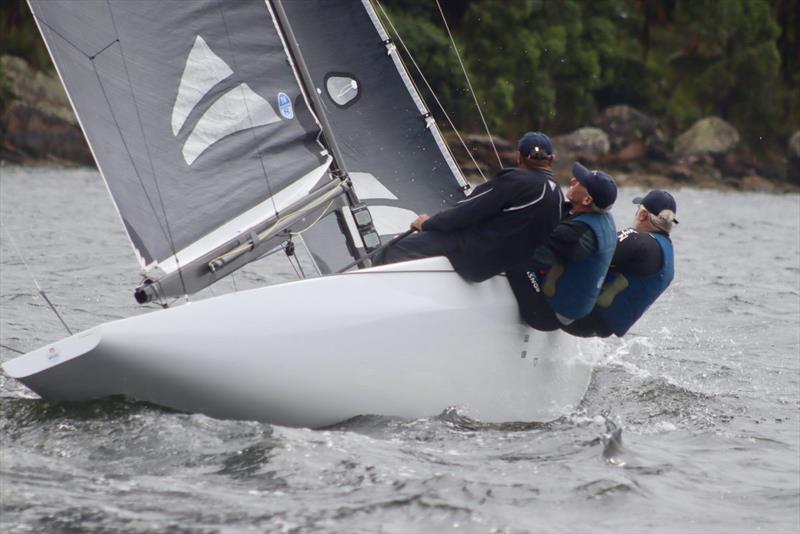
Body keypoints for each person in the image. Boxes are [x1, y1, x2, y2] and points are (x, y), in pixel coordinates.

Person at [374, 132, 564, 282]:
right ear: (552, 159)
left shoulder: (518, 180)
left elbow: (467, 211)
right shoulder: (558, 196)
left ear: (519, 158)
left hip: (470, 257)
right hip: (497, 268)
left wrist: (428, 224)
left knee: (393, 250)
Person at [506, 162, 618, 331]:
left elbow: (522, 255)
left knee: (510, 260)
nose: (573, 180)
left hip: (547, 314)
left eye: (580, 182)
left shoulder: (577, 235)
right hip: (569, 307)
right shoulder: (598, 218)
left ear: (587, 200)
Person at [562, 190, 677, 338]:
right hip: (597, 326)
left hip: (577, 316)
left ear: (642, 215)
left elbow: (586, 251)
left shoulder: (640, 242)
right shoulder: (666, 251)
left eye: (638, 210)